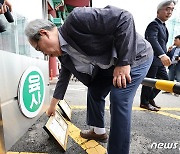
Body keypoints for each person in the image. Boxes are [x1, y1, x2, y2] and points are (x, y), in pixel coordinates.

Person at [25, 5, 153, 154]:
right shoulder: (64, 54)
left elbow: (124, 17)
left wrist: (124, 62)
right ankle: (98, 131)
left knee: (119, 98)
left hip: (136, 56)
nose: (44, 54)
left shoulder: (77, 19)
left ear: (44, 33)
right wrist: (53, 105)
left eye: (39, 49)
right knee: (95, 90)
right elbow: (63, 79)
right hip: (110, 65)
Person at [140, 0, 176, 112]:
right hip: (153, 58)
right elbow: (152, 40)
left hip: (159, 61)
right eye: (167, 9)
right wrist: (162, 55)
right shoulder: (154, 24)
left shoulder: (163, 26)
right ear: (158, 11)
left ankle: (150, 98)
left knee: (166, 81)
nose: (169, 12)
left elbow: (161, 43)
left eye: (172, 9)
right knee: (149, 82)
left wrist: (167, 53)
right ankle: (144, 102)